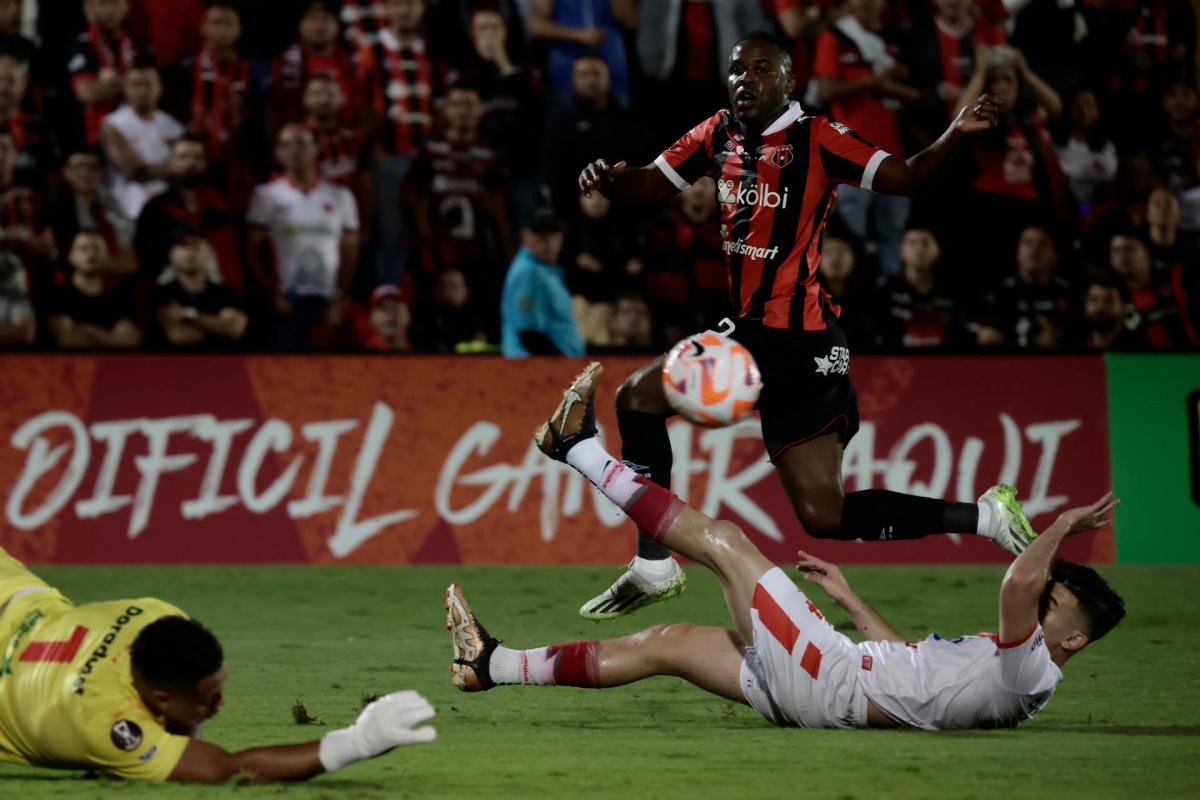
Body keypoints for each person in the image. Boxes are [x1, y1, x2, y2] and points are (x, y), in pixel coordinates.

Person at [573, 31, 1027, 619]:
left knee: (637, 397)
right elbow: (649, 184)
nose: (745, 79)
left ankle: (654, 564)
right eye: (736, 69)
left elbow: (906, 178)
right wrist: (609, 179)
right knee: (824, 516)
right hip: (799, 352)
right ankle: (986, 517)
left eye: (761, 68)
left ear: (788, 79)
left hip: (788, 335)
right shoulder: (717, 133)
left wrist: (953, 135)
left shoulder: (819, 137)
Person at [445, 362, 1125, 733]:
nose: (1042, 598)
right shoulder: (1018, 674)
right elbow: (912, 669)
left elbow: (1014, 584)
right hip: (831, 686)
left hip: (828, 679)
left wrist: (1061, 526)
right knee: (665, 643)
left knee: (724, 542)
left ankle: (577, 448)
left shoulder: (1030, 667)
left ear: (1074, 640)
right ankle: (491, 665)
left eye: (1054, 601)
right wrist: (852, 601)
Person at [0, 545, 436, 782]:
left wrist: (190, 717)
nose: (219, 705)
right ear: (161, 696)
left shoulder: (158, 617)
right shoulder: (109, 726)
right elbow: (223, 767)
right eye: (207, 699)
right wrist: (354, 743)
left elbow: (183, 724)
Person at [246, 124, 360, 352]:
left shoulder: (341, 196)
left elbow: (350, 252)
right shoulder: (266, 196)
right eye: (287, 144)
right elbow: (251, 252)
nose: (295, 150)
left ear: (315, 150)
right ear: (278, 153)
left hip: (327, 301)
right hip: (286, 300)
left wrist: (341, 297)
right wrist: (270, 294)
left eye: (302, 143)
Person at [100, 59, 184, 220]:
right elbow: (134, 171)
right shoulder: (114, 124)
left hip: (169, 204)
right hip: (129, 209)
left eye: (148, 84)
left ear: (160, 87)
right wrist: (173, 168)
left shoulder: (173, 126)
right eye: (136, 85)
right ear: (125, 88)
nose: (142, 91)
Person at [500, 207, 584, 357]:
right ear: (525, 237)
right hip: (533, 368)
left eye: (552, 236)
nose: (547, 243)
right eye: (540, 236)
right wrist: (560, 364)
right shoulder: (527, 272)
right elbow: (528, 333)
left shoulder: (547, 271)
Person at [973, 225, 1074, 351]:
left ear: (1055, 255)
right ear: (1017, 252)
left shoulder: (1069, 293)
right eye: (1027, 243)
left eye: (1042, 244)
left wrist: (1058, 341)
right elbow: (987, 337)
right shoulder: (1001, 293)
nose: (1034, 250)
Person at [69, 0, 147, 147]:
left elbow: (149, 92)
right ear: (91, 8)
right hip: (93, 137)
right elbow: (87, 92)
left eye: (115, 3)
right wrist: (130, 83)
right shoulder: (82, 44)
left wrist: (112, 82)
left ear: (126, 7)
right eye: (103, 3)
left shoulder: (140, 45)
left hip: (135, 135)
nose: (110, 10)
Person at [153, 226, 247, 349]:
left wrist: (188, 315)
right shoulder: (163, 293)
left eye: (196, 246)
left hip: (220, 363)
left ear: (209, 252)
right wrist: (217, 328)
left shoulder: (224, 292)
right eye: (183, 245)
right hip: (173, 364)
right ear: (171, 253)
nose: (190, 252)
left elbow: (234, 328)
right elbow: (177, 335)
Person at [45, 230, 141, 350]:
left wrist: (87, 330)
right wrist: (111, 339)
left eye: (97, 248)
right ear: (70, 256)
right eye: (83, 248)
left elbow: (130, 341)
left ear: (108, 256)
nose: (91, 254)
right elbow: (67, 339)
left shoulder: (119, 298)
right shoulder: (57, 295)